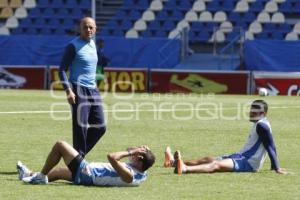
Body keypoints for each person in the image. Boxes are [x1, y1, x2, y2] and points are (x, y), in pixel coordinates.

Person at [164, 100, 287, 175]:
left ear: (263, 114)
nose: (251, 112)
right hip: (241, 156)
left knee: (216, 165)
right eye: (251, 109)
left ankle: (185, 169)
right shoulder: (261, 123)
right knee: (208, 159)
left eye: (255, 111)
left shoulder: (262, 126)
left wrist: (276, 168)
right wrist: (272, 166)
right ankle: (173, 163)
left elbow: (270, 147)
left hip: (248, 163)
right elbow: (271, 145)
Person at [59, 17, 106, 157]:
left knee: (100, 127)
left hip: (93, 90)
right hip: (78, 89)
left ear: (96, 28)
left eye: (91, 27)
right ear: (80, 29)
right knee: (81, 128)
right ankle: (78, 161)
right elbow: (61, 69)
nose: (88, 30)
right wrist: (68, 90)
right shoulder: (72, 46)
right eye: (85, 27)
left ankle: (76, 158)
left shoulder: (93, 45)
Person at [17, 141, 155, 186]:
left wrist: (133, 152)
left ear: (139, 161)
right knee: (59, 172)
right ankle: (29, 174)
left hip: (88, 173)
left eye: (136, 157)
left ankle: (40, 176)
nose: (132, 156)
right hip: (89, 173)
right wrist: (142, 152)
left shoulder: (130, 176)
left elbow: (111, 157)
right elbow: (147, 160)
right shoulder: (143, 171)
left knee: (60, 145)